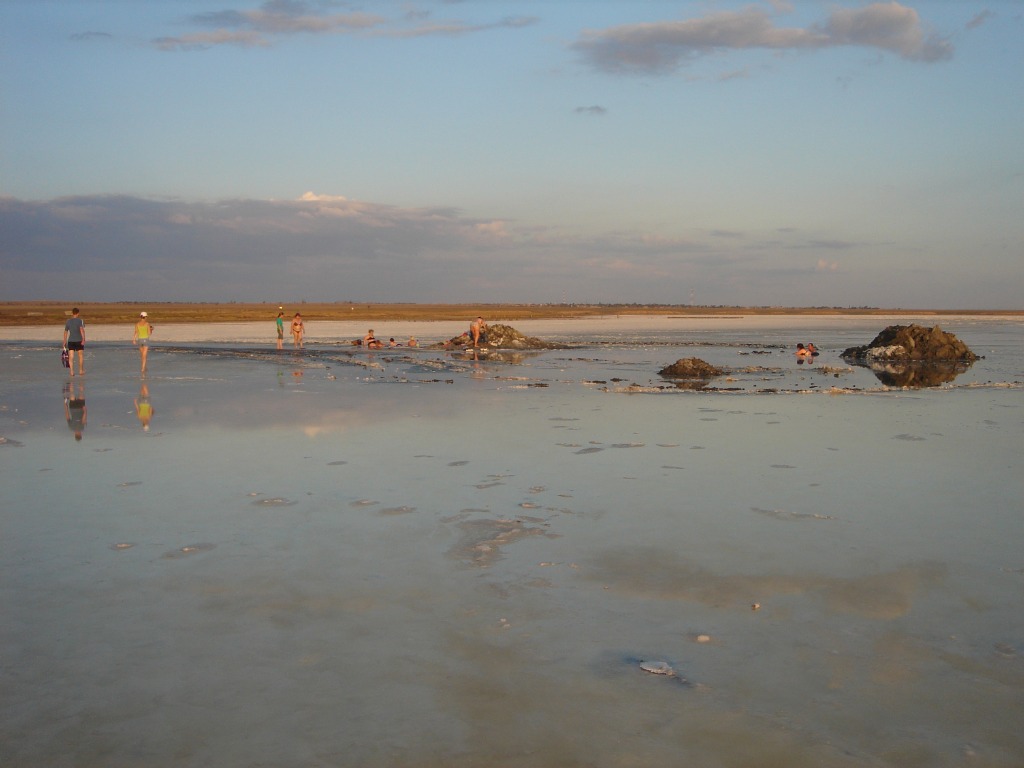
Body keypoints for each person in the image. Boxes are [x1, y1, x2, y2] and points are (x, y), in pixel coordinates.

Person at [63, 307, 86, 376]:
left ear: (72, 313)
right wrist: (83, 339)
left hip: (71, 341)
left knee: (71, 356)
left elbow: (65, 331)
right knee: (80, 356)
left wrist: (64, 341)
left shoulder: (68, 321)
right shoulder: (80, 321)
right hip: (79, 340)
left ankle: (72, 371)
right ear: (78, 313)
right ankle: (81, 370)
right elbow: (82, 330)